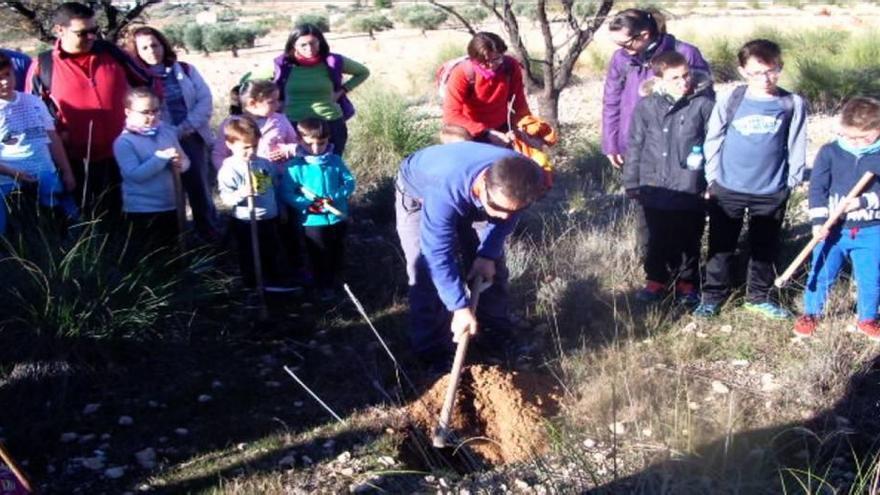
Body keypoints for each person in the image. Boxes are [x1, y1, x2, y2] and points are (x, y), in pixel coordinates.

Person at [395, 141, 546, 371]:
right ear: (484, 183)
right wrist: (458, 307)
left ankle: (495, 334)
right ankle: (433, 353)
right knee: (425, 275)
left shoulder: (525, 175)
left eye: (512, 210)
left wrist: (487, 254)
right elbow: (436, 253)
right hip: (418, 193)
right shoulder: (444, 188)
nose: (503, 216)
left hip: (469, 189)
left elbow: (506, 215)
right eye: (498, 207)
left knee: (490, 270)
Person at [695, 39, 808, 319]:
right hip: (728, 187)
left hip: (771, 190)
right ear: (743, 71)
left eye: (772, 70)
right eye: (757, 72)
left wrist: (790, 182)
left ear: (780, 67)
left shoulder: (791, 103)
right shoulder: (731, 99)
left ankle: (758, 296)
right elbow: (714, 139)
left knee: (764, 247)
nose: (766, 78)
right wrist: (712, 178)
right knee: (721, 246)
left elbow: (796, 143)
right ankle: (712, 297)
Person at [26, 2, 150, 218]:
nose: (91, 37)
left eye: (94, 31)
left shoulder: (112, 53)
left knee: (136, 218)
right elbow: (33, 117)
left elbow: (147, 82)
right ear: (59, 30)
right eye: (83, 33)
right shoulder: (43, 66)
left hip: (127, 154)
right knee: (92, 221)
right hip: (78, 163)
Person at [624, 51, 714, 305]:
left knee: (689, 236)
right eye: (675, 78)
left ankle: (687, 284)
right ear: (660, 80)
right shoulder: (646, 107)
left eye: (686, 75)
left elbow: (713, 145)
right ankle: (656, 280)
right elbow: (635, 145)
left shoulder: (703, 104)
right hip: (653, 184)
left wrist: (710, 183)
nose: (683, 82)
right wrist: (632, 182)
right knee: (654, 236)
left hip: (689, 183)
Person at [794, 97, 880, 340]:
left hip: (871, 229)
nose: (854, 143)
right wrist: (818, 223)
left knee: (870, 277)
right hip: (833, 229)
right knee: (821, 271)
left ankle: (868, 318)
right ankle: (811, 313)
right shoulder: (831, 152)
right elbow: (817, 189)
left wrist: (862, 202)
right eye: (848, 136)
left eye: (862, 138)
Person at [123, 26, 218, 241]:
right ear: (136, 52)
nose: (151, 50)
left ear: (163, 45)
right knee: (169, 190)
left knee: (199, 187)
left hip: (191, 136)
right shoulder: (136, 78)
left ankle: (209, 232)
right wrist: (167, 133)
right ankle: (179, 238)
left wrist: (184, 127)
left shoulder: (185, 70)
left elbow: (205, 100)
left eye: (154, 45)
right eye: (144, 47)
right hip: (156, 141)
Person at [602, 8, 709, 168]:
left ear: (644, 34)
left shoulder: (686, 54)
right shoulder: (621, 58)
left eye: (625, 44)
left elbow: (704, 103)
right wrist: (611, 144)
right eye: (618, 44)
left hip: (676, 147)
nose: (623, 49)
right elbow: (611, 101)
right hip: (634, 144)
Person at [0, 51, 77, 237]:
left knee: (66, 222)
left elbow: (52, 138)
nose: (5, 82)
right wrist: (13, 173)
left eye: (7, 75)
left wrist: (66, 171)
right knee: (15, 230)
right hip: (8, 180)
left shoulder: (34, 102)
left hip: (45, 172)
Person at [279, 119, 355, 301]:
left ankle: (337, 279)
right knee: (317, 252)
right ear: (299, 141)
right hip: (312, 221)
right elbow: (287, 192)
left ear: (328, 139)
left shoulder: (335, 161)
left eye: (321, 143)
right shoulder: (295, 167)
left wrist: (335, 197)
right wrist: (307, 205)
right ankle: (323, 285)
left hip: (337, 217)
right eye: (309, 144)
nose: (316, 148)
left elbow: (349, 182)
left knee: (337, 249)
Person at [113, 87, 189, 264]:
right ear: (128, 112)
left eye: (156, 111)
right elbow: (135, 175)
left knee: (174, 255)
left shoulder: (167, 132)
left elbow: (185, 161)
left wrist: (180, 164)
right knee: (151, 258)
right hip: (143, 210)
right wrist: (160, 158)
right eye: (145, 112)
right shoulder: (124, 142)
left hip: (172, 204)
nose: (152, 116)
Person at [271, 23, 369, 155]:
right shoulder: (281, 64)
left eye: (313, 43)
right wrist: (274, 101)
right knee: (298, 170)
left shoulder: (332, 61)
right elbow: (249, 82)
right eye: (303, 45)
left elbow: (363, 72)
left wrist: (342, 90)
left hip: (330, 124)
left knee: (332, 167)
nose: (309, 48)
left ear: (320, 42)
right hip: (294, 126)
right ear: (293, 45)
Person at [217, 117, 284, 289]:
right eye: (245, 147)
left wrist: (281, 209)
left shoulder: (263, 164)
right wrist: (242, 193)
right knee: (249, 255)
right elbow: (226, 199)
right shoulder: (229, 169)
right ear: (230, 144)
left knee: (271, 251)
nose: (251, 151)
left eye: (254, 146)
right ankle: (253, 287)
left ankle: (273, 283)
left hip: (269, 217)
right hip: (247, 221)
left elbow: (274, 188)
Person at [442, 32, 531, 147]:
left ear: (502, 54)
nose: (491, 66)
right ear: (474, 59)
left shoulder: (510, 67)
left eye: (496, 59)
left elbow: (519, 103)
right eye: (483, 63)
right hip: (469, 131)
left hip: (501, 127)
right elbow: (451, 115)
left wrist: (527, 127)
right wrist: (487, 132)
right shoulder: (462, 73)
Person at [212, 80, 299, 171]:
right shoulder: (231, 124)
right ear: (252, 103)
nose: (277, 105)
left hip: (278, 178)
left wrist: (287, 150)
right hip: (245, 178)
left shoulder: (280, 120)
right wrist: (228, 173)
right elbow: (219, 154)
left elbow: (297, 144)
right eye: (272, 102)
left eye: (278, 100)